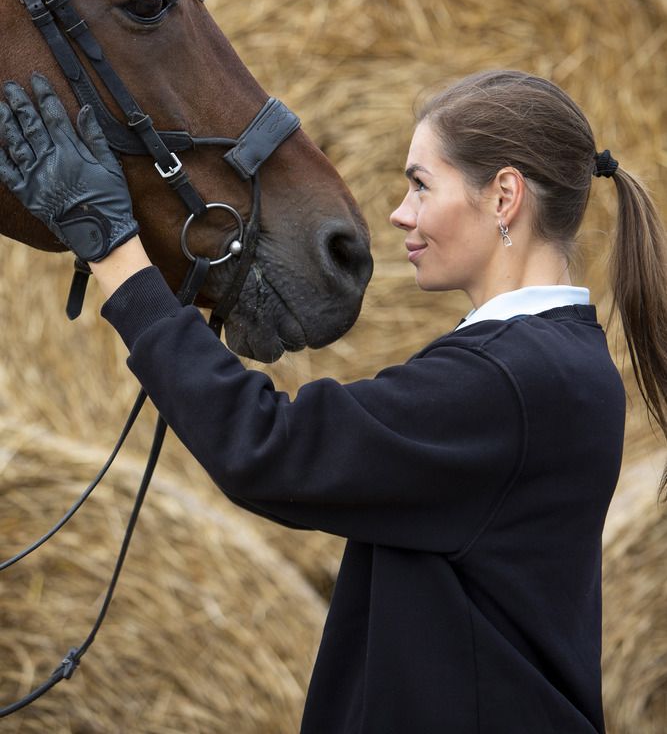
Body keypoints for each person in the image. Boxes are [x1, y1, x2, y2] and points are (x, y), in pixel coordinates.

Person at [1, 68, 666, 734]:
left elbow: (270, 448)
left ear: (503, 198)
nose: (398, 212)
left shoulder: (514, 381)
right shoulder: (554, 363)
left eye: (419, 184)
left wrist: (115, 252)